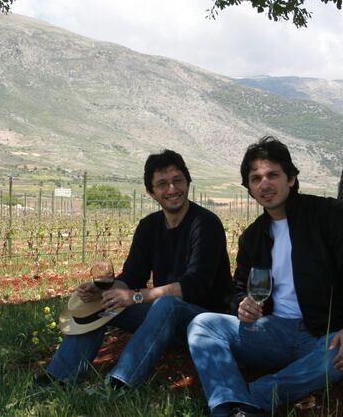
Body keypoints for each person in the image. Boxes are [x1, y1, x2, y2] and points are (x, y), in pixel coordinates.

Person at [187, 136, 343, 417]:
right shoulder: (253, 237)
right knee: (202, 324)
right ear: (250, 189)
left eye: (272, 175)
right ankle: (231, 402)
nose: (264, 184)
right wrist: (241, 304)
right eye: (256, 179)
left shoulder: (329, 215)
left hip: (323, 334)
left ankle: (248, 401)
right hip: (272, 332)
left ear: (291, 178)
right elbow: (238, 288)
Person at [40, 149, 232, 388]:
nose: (172, 189)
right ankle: (60, 377)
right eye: (162, 184)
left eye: (178, 180)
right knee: (106, 302)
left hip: (204, 321)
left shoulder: (205, 225)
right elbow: (132, 276)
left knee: (166, 304)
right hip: (164, 321)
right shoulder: (148, 227)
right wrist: (106, 291)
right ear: (151, 192)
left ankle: (120, 383)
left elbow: (195, 286)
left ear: (188, 182)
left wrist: (136, 296)